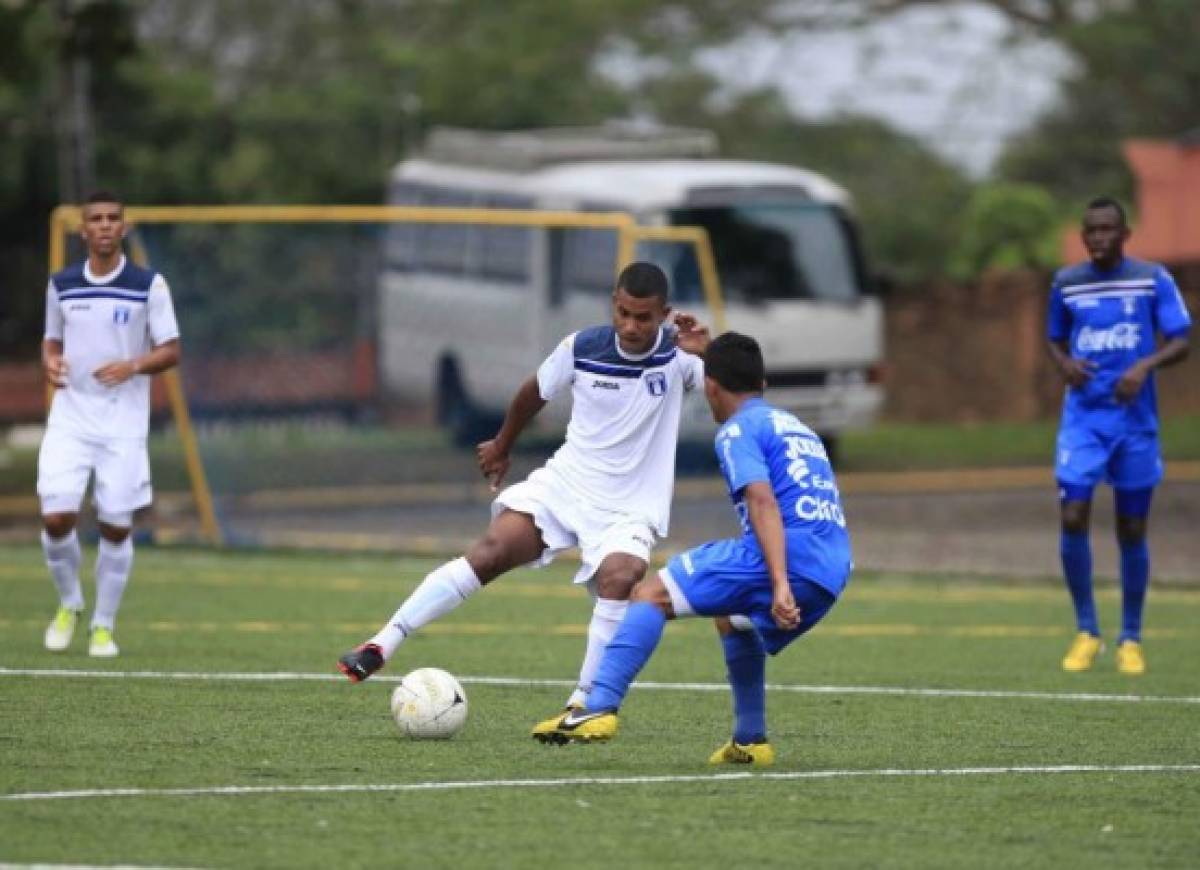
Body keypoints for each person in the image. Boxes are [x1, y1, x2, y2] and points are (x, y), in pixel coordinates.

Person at [337, 262, 710, 731]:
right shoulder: (581, 347)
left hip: (629, 507)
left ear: (664, 314)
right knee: (491, 550)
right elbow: (534, 392)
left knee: (621, 577)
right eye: (623, 313)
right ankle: (382, 644)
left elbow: (733, 390)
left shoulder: (681, 358)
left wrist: (709, 352)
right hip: (568, 484)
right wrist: (501, 445)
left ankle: (583, 705)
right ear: (613, 303)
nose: (631, 326)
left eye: (643, 317)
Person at [533, 332, 852, 765]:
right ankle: (750, 742)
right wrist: (708, 348)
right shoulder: (798, 428)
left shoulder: (737, 430)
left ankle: (597, 707)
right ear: (761, 384)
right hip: (833, 568)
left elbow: (762, 500)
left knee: (651, 594)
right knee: (733, 620)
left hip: (786, 559)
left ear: (712, 387)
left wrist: (779, 582)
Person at [1047, 196, 1191, 675]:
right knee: (1073, 513)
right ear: (1084, 236)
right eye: (1092, 231)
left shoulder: (1152, 279)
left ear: (1125, 234)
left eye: (1109, 230)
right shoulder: (1067, 284)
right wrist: (1066, 364)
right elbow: (1054, 337)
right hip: (1084, 421)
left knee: (1132, 527)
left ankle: (1131, 636)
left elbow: (1181, 341)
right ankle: (1087, 630)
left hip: (1135, 424)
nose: (1099, 238)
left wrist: (1143, 367)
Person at [38, 190, 182, 657]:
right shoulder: (62, 284)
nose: (103, 225)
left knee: (115, 527)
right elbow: (51, 341)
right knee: (56, 517)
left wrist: (132, 366)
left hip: (122, 426)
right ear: (83, 230)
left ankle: (103, 623)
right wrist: (50, 362)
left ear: (124, 227)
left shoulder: (148, 284)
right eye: (95, 219)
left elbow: (171, 349)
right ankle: (69, 602)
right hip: (70, 420)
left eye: (112, 218)